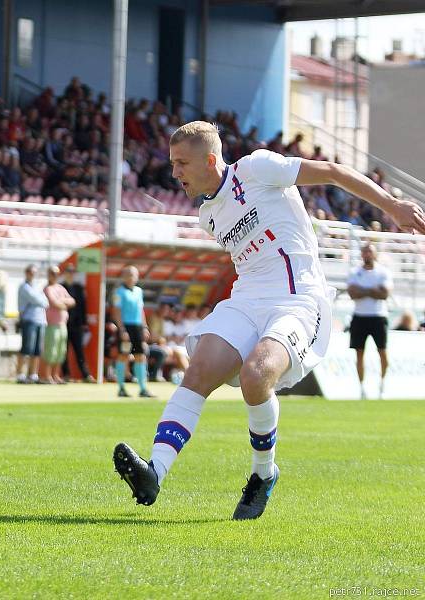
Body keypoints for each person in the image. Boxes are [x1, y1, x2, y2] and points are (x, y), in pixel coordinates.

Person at [113, 120, 425, 520]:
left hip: (297, 298)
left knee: (256, 375)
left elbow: (331, 172)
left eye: (181, 164)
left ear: (210, 160)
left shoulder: (257, 168)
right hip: (247, 299)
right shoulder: (208, 215)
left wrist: (392, 206)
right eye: (173, 164)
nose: (174, 173)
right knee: (200, 369)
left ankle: (264, 474)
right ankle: (154, 471)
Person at [347, 243, 393, 399]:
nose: (367, 254)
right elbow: (352, 293)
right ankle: (361, 388)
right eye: (365, 251)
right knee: (359, 353)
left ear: (375, 254)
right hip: (360, 317)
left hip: (378, 316)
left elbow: (385, 294)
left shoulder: (383, 272)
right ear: (361, 254)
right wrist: (373, 291)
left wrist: (363, 291)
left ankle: (382, 385)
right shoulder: (355, 272)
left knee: (383, 353)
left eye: (370, 251)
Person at [111, 266, 155, 398]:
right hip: (126, 327)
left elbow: (141, 310)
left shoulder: (139, 291)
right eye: (129, 275)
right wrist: (122, 329)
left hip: (137, 328)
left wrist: (145, 327)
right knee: (123, 355)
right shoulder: (118, 292)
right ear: (124, 277)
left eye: (134, 275)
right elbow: (116, 312)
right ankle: (121, 388)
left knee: (140, 356)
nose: (131, 277)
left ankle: (142, 388)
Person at [16, 264, 48, 384]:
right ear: (27, 273)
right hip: (29, 320)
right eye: (30, 272)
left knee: (37, 350)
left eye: (34, 272)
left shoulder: (37, 286)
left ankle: (33, 374)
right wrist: (41, 300)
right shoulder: (24, 287)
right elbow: (39, 300)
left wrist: (41, 300)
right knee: (26, 348)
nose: (32, 274)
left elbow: (46, 302)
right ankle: (20, 374)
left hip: (41, 320)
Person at [61, 264, 94, 382]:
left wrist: (84, 322)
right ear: (65, 273)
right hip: (64, 323)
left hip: (77, 324)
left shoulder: (79, 288)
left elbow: (83, 306)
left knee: (79, 351)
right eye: (68, 271)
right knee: (63, 351)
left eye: (72, 272)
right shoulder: (61, 287)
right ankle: (65, 374)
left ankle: (86, 375)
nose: (70, 274)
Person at [43, 266, 75, 384]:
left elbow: (72, 301)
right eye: (52, 273)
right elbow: (54, 303)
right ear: (49, 275)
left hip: (63, 324)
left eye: (56, 273)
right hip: (52, 324)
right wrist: (63, 302)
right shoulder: (48, 288)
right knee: (51, 350)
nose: (55, 275)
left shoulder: (60, 288)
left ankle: (56, 375)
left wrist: (62, 302)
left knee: (61, 351)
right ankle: (47, 376)